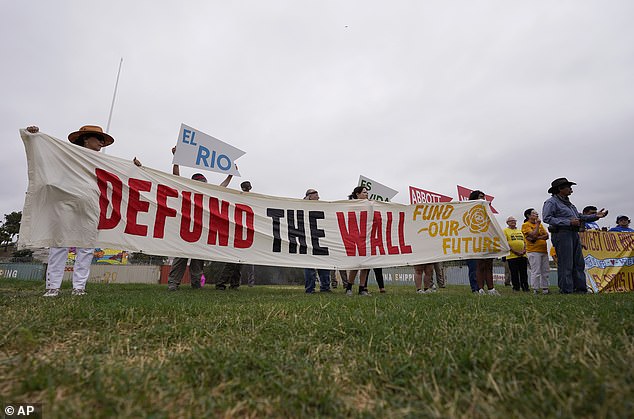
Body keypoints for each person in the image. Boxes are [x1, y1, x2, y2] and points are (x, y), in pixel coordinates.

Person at [27, 125, 117, 297]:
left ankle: (79, 287)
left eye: (102, 140)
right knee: (60, 243)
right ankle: (53, 286)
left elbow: (121, 173)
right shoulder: (66, 154)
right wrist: (34, 137)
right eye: (98, 139)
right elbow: (47, 157)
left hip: (89, 203)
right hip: (65, 202)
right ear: (85, 139)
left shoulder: (102, 161)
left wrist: (135, 167)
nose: (101, 143)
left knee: (86, 245)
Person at [166, 147, 231, 291]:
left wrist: (230, 176)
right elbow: (176, 177)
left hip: (200, 231)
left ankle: (196, 283)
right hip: (185, 230)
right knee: (181, 258)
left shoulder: (207, 195)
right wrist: (176, 159)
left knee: (198, 260)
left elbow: (222, 188)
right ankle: (173, 283)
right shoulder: (187, 191)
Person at [542, 177, 608, 294]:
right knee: (566, 263)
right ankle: (567, 290)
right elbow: (547, 218)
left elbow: (579, 216)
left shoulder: (569, 204)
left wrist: (596, 216)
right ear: (560, 189)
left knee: (578, 263)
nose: (571, 189)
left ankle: (580, 289)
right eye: (568, 187)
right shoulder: (551, 202)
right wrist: (568, 222)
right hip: (562, 234)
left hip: (573, 233)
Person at [467, 190, 500, 295]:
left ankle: (491, 289)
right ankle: (478, 289)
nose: (483, 199)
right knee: (479, 266)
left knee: (489, 265)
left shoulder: (487, 211)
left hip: (487, 240)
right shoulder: (468, 211)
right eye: (480, 197)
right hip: (475, 242)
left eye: (484, 197)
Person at [302, 189, 331, 293]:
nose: (318, 198)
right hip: (307, 239)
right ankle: (310, 288)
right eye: (315, 195)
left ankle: (325, 287)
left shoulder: (321, 207)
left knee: (324, 265)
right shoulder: (301, 206)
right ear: (309, 196)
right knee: (309, 265)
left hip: (321, 239)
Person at [344, 186, 371, 296]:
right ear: (357, 194)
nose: (366, 194)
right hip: (355, 237)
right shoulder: (351, 206)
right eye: (364, 192)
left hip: (367, 237)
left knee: (366, 265)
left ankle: (362, 288)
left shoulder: (370, 205)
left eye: (367, 193)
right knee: (355, 265)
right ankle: (349, 288)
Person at [522, 208, 551, 295]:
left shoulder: (541, 225)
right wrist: (537, 226)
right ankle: (535, 288)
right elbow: (533, 235)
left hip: (543, 250)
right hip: (533, 251)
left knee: (545, 270)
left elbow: (546, 236)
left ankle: (545, 288)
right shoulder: (526, 225)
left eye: (537, 213)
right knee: (536, 270)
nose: (537, 215)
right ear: (528, 215)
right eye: (534, 213)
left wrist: (537, 237)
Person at [504, 216, 529, 292]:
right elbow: (506, 243)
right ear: (507, 223)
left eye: (514, 221)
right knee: (514, 273)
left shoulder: (520, 231)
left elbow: (524, 242)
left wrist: (524, 250)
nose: (513, 222)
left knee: (524, 272)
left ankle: (525, 287)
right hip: (512, 256)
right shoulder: (505, 231)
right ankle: (516, 287)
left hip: (523, 255)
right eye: (511, 221)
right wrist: (515, 251)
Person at [240, 181, 256, 287]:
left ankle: (250, 282)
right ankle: (239, 281)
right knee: (240, 261)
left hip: (249, 232)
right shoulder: (239, 197)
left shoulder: (254, 198)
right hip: (241, 231)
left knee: (249, 262)